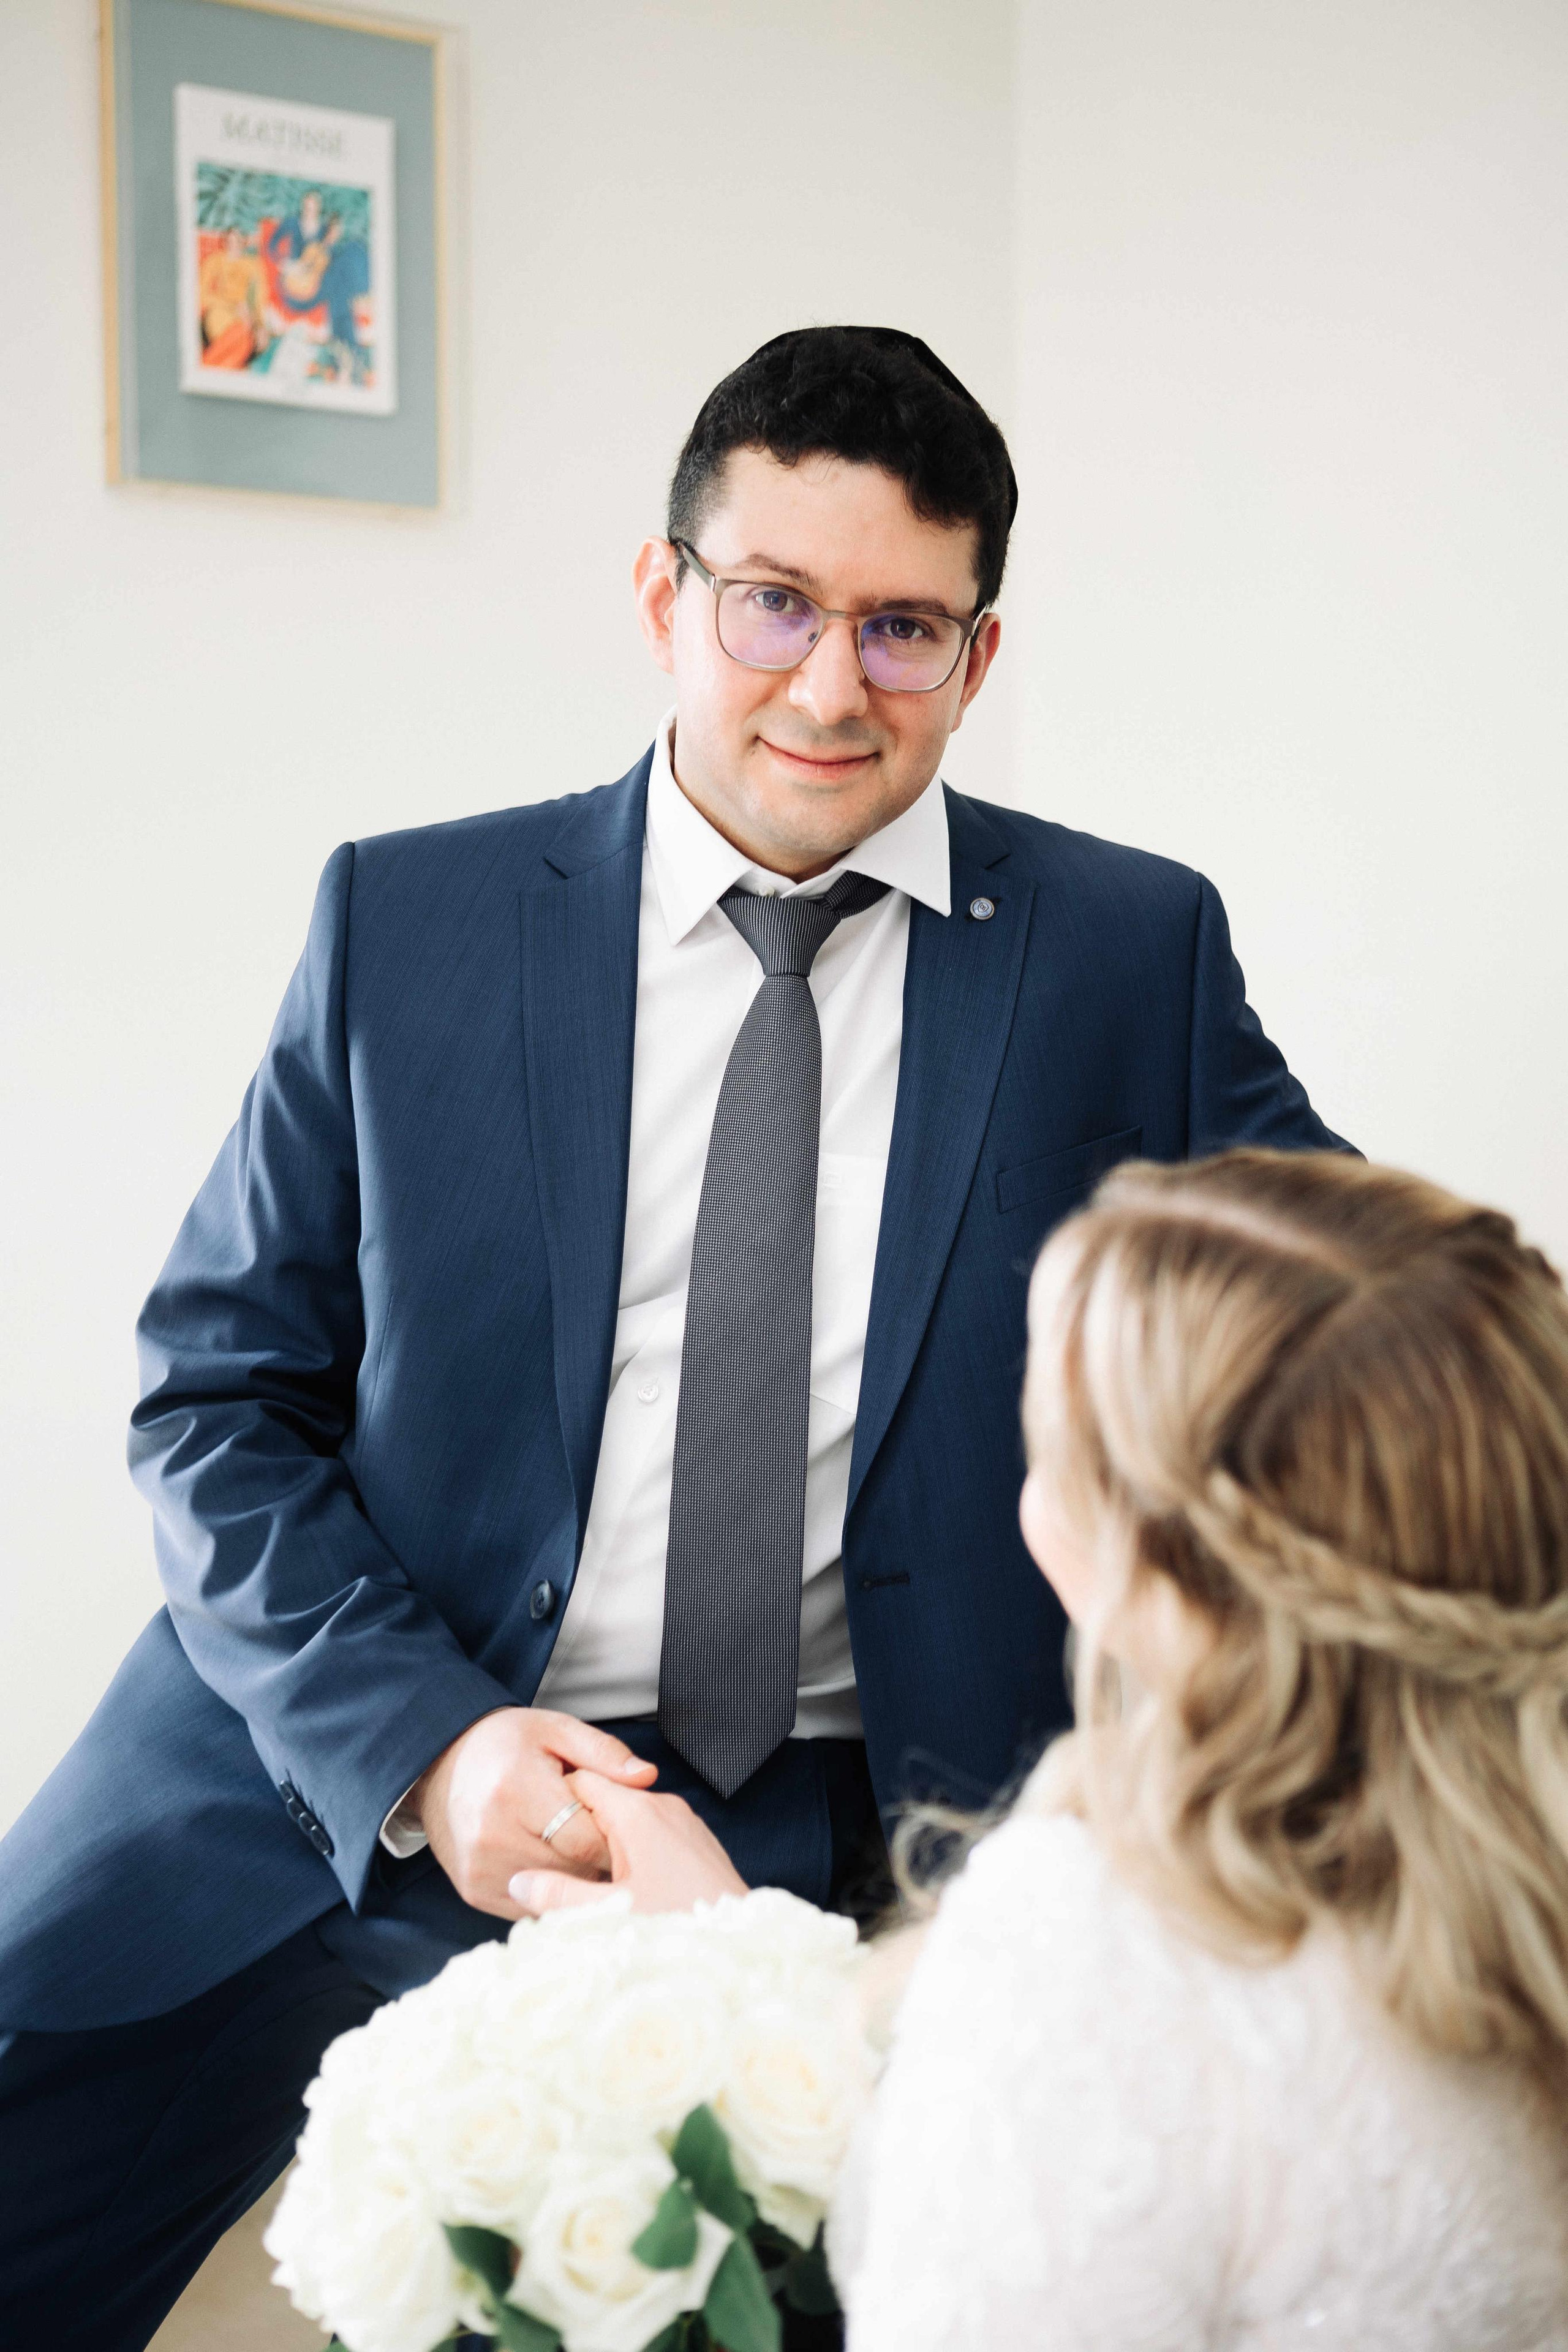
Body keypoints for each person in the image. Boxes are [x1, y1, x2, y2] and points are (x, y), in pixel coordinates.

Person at [0, 326, 1348, 2348]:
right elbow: (216, 1400)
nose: (829, 686)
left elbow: (1382, 1336)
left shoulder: (1126, 957)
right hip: (332, 1761)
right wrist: (426, 1749)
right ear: (665, 598)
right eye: (775, 604)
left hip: (816, 1824)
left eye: (905, 630)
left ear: (981, 659)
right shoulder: (409, 921)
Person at [524, 1148, 1568, 2348]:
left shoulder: (1090, 1949)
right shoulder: (1501, 1891)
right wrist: (737, 1971)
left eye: (1063, 1448)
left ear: (1170, 1580)